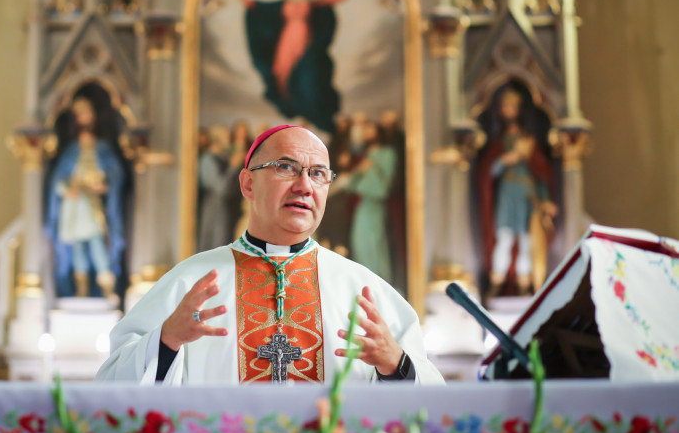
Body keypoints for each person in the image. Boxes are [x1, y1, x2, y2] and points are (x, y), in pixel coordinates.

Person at [96, 125, 443, 384]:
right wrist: (166, 340)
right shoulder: (190, 283)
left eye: (318, 174)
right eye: (286, 167)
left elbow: (430, 406)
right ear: (248, 183)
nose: (304, 186)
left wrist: (395, 364)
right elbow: (112, 386)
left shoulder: (363, 289)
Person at [236, 0, 367, 133]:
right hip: (287, 39)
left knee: (305, 71)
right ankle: (292, 105)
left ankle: (308, 108)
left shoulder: (309, 0)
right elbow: (262, 8)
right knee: (282, 71)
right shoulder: (283, 2)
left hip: (304, 36)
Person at [476, 88, 556, 297]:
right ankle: (496, 284)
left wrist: (545, 200)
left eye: (512, 106)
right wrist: (504, 161)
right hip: (507, 195)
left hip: (527, 197)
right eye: (505, 106)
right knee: (504, 239)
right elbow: (488, 172)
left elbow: (540, 174)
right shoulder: (499, 144)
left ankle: (524, 285)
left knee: (526, 241)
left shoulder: (530, 143)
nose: (509, 111)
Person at [47, 94, 127, 300]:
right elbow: (58, 180)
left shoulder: (103, 149)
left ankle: (107, 289)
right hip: (74, 207)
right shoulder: (70, 151)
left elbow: (115, 174)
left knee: (98, 245)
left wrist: (105, 185)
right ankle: (80, 291)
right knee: (77, 249)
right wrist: (67, 189)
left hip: (91, 205)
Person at [345, 120, 397, 283]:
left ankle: (378, 281)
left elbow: (384, 185)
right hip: (364, 204)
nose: (366, 133)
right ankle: (364, 281)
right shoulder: (365, 154)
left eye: (370, 129)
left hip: (375, 204)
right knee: (359, 242)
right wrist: (359, 171)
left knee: (374, 243)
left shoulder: (387, 154)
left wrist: (371, 168)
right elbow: (352, 183)